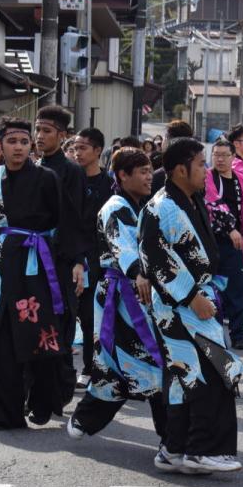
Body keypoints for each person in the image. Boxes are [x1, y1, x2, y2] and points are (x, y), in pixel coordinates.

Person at [140, 137, 243, 474]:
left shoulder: (191, 198)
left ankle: (175, 448)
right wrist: (191, 297)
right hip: (181, 303)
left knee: (185, 378)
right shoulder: (160, 206)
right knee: (206, 375)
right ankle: (201, 450)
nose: (206, 170)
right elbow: (156, 259)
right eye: (201, 164)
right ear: (179, 169)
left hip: (194, 299)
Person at [0, 118, 72, 429]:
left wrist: (72, 264)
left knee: (39, 340)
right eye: (12, 141)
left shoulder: (47, 177)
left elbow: (65, 223)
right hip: (1, 265)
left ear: (30, 147)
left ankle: (42, 402)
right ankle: (4, 414)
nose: (18, 147)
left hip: (36, 265)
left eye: (24, 142)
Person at [67, 148, 168, 443]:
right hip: (122, 296)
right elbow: (123, 246)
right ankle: (171, 439)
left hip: (139, 293)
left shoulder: (142, 205)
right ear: (123, 175)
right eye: (143, 172)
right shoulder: (115, 207)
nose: (150, 177)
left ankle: (171, 438)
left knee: (130, 366)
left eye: (151, 171)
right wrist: (138, 270)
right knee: (139, 363)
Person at [35, 105, 86, 403]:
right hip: (33, 259)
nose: (39, 136)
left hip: (61, 260)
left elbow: (75, 218)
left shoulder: (71, 171)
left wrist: (78, 261)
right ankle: (39, 391)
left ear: (62, 135)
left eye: (46, 131)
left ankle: (62, 388)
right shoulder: (31, 167)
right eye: (37, 130)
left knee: (61, 324)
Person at [205, 138, 243, 351]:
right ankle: (212, 336)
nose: (220, 159)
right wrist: (229, 228)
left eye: (224, 155)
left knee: (237, 289)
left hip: (235, 246)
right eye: (216, 155)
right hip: (209, 243)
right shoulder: (206, 178)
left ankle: (238, 335)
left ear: (233, 157)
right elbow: (212, 206)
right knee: (210, 290)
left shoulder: (242, 180)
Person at [74, 128, 114, 385]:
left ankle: (91, 367)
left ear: (98, 151)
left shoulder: (109, 185)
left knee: (90, 317)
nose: (77, 153)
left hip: (96, 258)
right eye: (75, 147)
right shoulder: (66, 178)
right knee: (66, 316)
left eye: (83, 148)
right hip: (68, 255)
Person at [151, 120, 194, 194]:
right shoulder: (197, 173)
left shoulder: (157, 178)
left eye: (164, 138)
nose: (162, 142)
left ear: (168, 140)